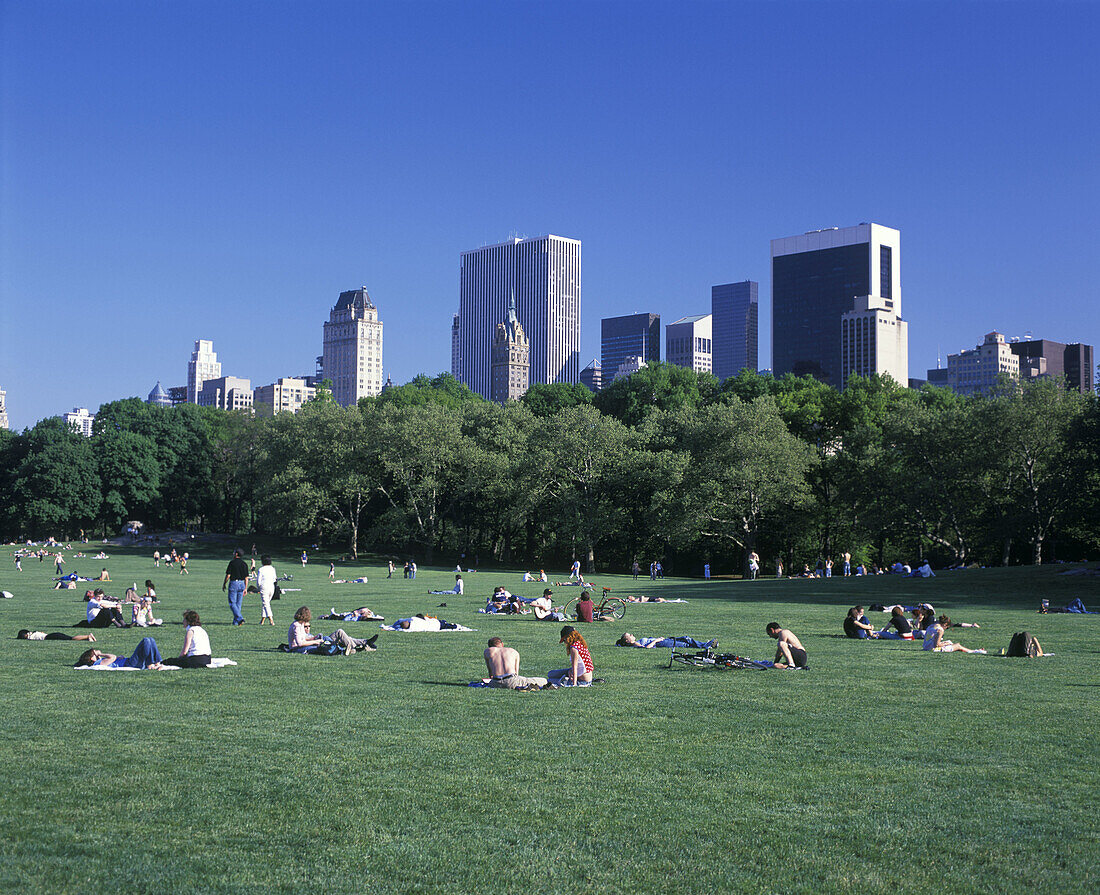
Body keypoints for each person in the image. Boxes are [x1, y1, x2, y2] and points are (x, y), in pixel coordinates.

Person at [287, 606, 377, 655]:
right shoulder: (296, 625)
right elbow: (300, 643)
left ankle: (361, 643)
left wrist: (314, 638)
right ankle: (361, 644)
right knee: (333, 640)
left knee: (339, 632)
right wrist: (316, 641)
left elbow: (304, 639)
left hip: (305, 645)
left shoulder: (300, 624)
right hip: (298, 649)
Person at [74, 638, 164, 669]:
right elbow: (112, 657)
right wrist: (100, 654)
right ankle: (150, 664)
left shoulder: (100, 661)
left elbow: (113, 659)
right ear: (91, 659)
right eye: (94, 654)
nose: (96, 653)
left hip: (129, 661)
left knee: (150, 640)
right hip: (130, 664)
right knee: (146, 641)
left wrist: (118, 658)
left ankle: (156, 663)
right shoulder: (97, 663)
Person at [223, 549, 249, 626]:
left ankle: (240, 618)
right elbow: (246, 577)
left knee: (232, 603)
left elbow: (228, 575)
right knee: (238, 604)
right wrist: (245, 588)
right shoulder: (244, 564)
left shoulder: (232, 563)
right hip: (242, 583)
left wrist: (224, 584)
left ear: (236, 554)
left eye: (234, 552)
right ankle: (236, 622)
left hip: (234, 583)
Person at [616, 633, 717, 649]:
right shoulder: (635, 643)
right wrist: (656, 640)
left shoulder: (634, 641)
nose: (632, 635)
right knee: (684, 644)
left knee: (686, 638)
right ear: (628, 641)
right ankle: (705, 645)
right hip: (660, 643)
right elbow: (646, 648)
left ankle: (705, 644)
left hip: (661, 641)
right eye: (630, 635)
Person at [256, 555, 277, 626]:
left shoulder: (261, 569)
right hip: (271, 587)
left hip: (264, 587)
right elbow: (275, 579)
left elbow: (258, 581)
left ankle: (271, 620)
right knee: (265, 603)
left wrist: (258, 588)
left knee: (266, 604)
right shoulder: (272, 569)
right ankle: (262, 620)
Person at [18, 629, 97, 641]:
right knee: (69, 638)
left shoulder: (31, 636)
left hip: (49, 637)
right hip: (51, 635)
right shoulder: (35, 633)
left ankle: (87, 636)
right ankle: (86, 638)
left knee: (70, 638)